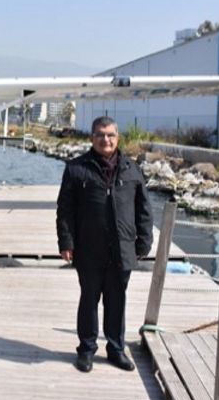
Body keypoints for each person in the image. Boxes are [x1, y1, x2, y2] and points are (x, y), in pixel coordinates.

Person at [56, 116, 153, 372]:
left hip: (122, 248)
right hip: (89, 249)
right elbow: (65, 210)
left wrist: (144, 241)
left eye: (110, 135)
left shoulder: (132, 169)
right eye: (100, 134)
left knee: (116, 300)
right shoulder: (76, 169)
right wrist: (66, 241)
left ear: (117, 137)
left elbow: (144, 209)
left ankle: (116, 349)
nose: (105, 139)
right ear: (92, 138)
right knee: (89, 299)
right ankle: (86, 349)